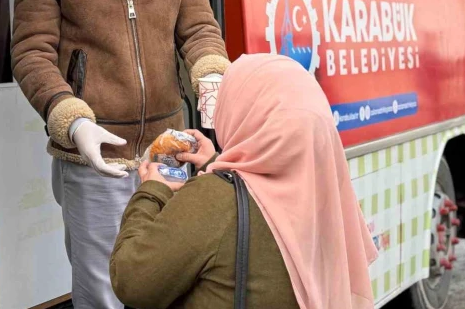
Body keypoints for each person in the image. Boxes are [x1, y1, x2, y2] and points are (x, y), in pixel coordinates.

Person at [11, 0, 230, 309]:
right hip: (95, 158)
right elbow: (31, 53)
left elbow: (198, 30)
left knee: (176, 282)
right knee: (106, 294)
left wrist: (211, 75)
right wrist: (72, 120)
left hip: (170, 148)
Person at [110, 54, 378, 309]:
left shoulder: (214, 199)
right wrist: (214, 162)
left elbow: (133, 282)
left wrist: (152, 190)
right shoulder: (328, 198)